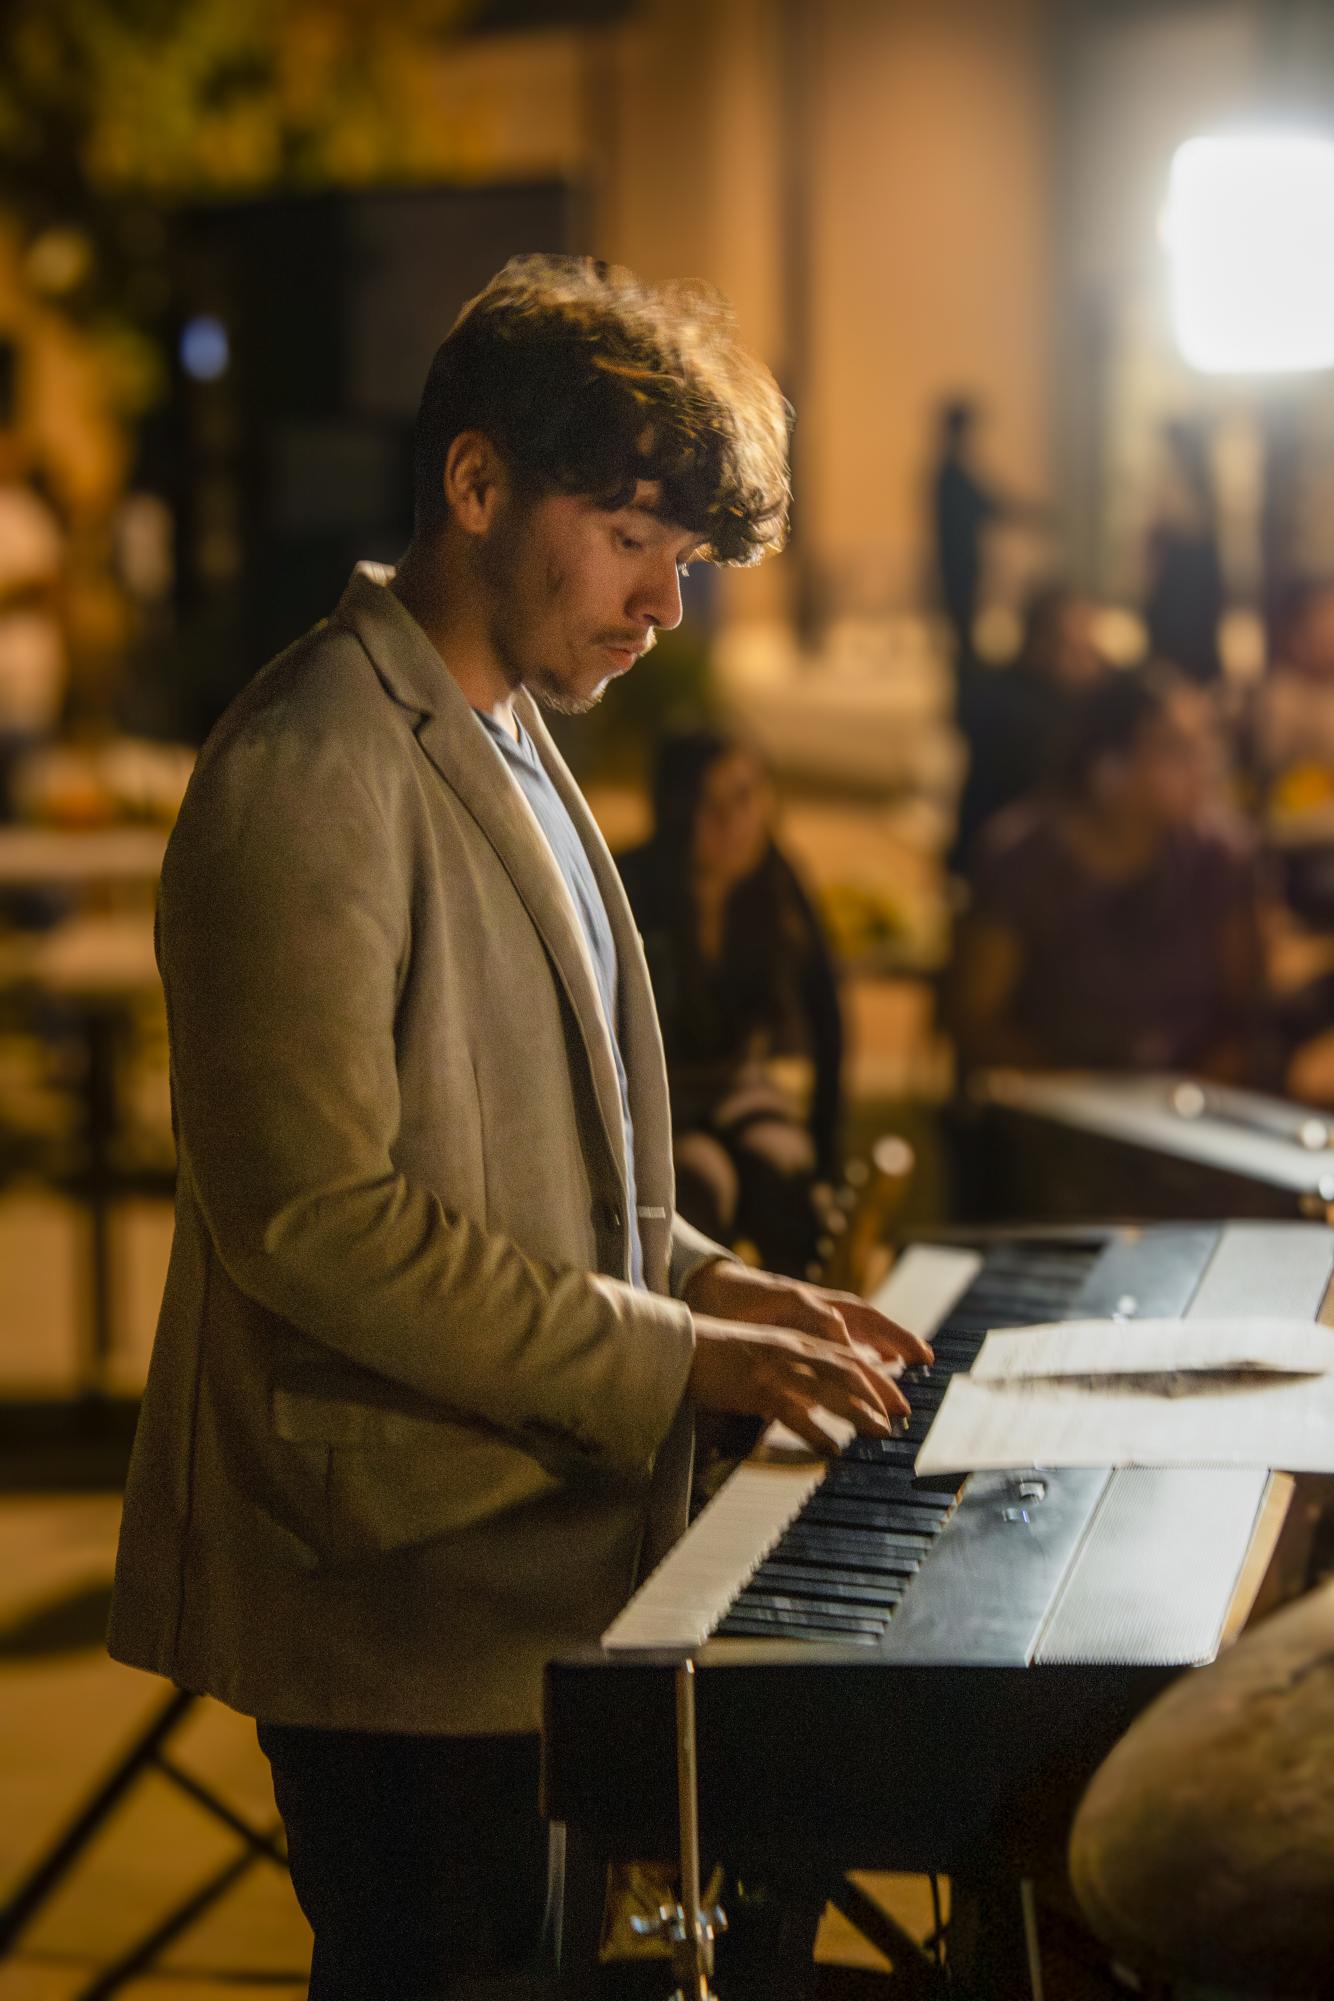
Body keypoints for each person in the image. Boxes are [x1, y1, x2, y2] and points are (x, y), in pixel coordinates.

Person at [107, 255, 929, 2000]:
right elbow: (319, 1220)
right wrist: (675, 1357)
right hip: (395, 1601)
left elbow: (564, 1168)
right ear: (475, 486)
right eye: (635, 535)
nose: (664, 606)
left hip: (524, 1579)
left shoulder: (512, 733)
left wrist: (728, 1291)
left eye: (684, 563)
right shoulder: (309, 766)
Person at [949, 669, 1268, 1082]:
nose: (1201, 767)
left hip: (1187, 1112)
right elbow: (975, 1019)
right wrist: (1076, 1094)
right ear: (1107, 766)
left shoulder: (1219, 857)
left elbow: (1244, 1013)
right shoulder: (1021, 859)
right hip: (1054, 1114)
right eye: (1175, 750)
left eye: (1204, 746)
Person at [617, 728, 843, 1276]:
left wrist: (830, 1145)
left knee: (782, 1167)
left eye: (744, 798)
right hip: (658, 1100)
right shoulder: (632, 885)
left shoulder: (776, 883)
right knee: (699, 1183)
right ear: (673, 808)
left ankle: (803, 1328)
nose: (730, 822)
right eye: (707, 802)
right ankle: (698, 1341)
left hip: (742, 1090)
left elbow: (828, 1019)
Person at [950, 582, 1106, 877]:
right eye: (1078, 647)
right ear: (1042, 644)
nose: (1091, 660)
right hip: (1003, 873)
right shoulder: (1013, 711)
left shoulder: (1070, 703)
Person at [929, 395, 1044, 676]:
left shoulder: (951, 471)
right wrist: (1032, 515)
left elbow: (988, 504)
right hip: (957, 566)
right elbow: (989, 504)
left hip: (958, 564)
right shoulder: (951, 473)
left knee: (963, 634)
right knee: (962, 636)